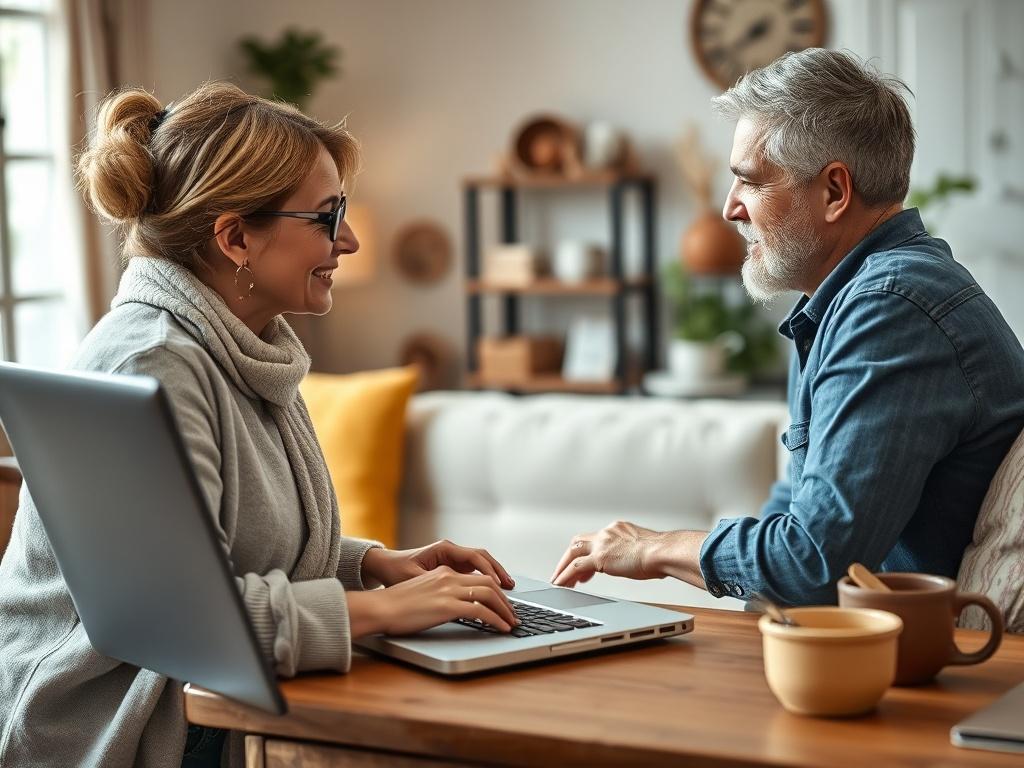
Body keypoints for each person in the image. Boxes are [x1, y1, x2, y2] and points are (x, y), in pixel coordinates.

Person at [0, 82, 519, 768]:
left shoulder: (246, 346)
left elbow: (222, 548)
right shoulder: (149, 362)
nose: (350, 240)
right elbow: (179, 622)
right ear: (236, 237)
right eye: (328, 217)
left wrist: (374, 567)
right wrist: (385, 611)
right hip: (118, 725)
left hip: (203, 699)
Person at [552, 49, 1024, 607]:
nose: (730, 209)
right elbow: (795, 512)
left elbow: (813, 562)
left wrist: (654, 548)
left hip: (931, 653)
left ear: (834, 192)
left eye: (749, 182)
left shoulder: (890, 309)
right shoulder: (835, 301)